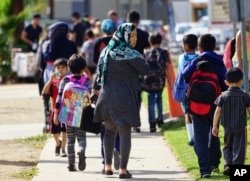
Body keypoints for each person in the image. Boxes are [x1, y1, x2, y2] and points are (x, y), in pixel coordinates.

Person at [92, 23, 149, 179]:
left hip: (106, 99)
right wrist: (142, 58)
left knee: (109, 132)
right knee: (125, 133)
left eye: (135, 35)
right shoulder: (130, 54)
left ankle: (108, 167)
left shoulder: (106, 51)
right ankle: (123, 170)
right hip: (124, 99)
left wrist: (94, 91)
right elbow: (146, 70)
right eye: (132, 35)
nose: (135, 38)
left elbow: (98, 75)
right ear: (124, 36)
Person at [182, 34, 228, 178]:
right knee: (214, 132)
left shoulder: (196, 60)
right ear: (214, 47)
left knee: (200, 137)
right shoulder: (219, 62)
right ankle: (214, 163)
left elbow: (185, 75)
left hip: (197, 104)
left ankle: (205, 169)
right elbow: (224, 82)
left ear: (199, 48)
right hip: (214, 104)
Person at [54, 54, 92, 171]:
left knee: (70, 140)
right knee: (82, 138)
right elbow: (92, 97)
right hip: (82, 115)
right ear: (83, 68)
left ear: (69, 67)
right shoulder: (86, 81)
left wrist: (56, 114)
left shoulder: (65, 80)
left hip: (68, 115)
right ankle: (81, 150)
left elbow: (59, 98)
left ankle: (71, 164)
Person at [92, 18, 120, 172]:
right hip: (119, 92)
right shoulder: (120, 46)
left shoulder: (99, 44)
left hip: (103, 89)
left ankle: (105, 162)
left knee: (105, 129)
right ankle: (117, 148)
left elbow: (96, 63)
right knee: (118, 126)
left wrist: (94, 91)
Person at [212, 68, 250, 176]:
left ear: (226, 82)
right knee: (239, 147)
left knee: (227, 145)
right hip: (240, 127)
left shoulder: (222, 96)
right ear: (241, 81)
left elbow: (217, 112)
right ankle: (237, 170)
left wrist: (215, 126)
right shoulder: (245, 96)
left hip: (227, 127)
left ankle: (228, 164)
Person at [126, 10, 150, 133]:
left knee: (125, 95)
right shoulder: (144, 34)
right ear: (138, 21)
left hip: (125, 68)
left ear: (127, 20)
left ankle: (126, 121)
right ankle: (136, 123)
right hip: (138, 68)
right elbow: (148, 49)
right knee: (137, 96)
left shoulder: (122, 34)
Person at [145, 33, 172, 132]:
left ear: (150, 42)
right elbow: (167, 66)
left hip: (148, 80)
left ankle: (152, 123)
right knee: (159, 98)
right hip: (160, 80)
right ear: (160, 41)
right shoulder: (164, 52)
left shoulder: (146, 53)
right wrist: (170, 81)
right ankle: (160, 119)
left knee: (150, 101)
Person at [174, 34, 198, 145]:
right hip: (196, 90)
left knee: (187, 114)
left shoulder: (181, 58)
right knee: (196, 113)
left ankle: (191, 137)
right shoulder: (199, 58)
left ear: (186, 46)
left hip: (184, 90)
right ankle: (197, 135)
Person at [42, 58, 68, 157]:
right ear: (54, 69)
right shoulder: (53, 81)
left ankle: (63, 149)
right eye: (58, 68)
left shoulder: (68, 80)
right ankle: (58, 143)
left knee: (65, 131)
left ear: (67, 69)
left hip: (66, 110)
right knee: (55, 132)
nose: (60, 70)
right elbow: (44, 91)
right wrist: (50, 79)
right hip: (55, 110)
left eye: (63, 68)